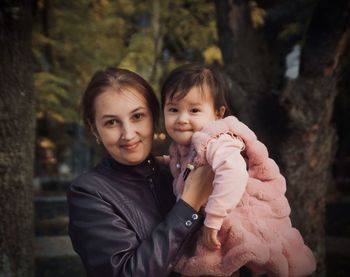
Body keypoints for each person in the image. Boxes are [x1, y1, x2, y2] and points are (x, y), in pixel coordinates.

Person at [160, 63, 316, 277]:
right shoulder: (185, 148)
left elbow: (232, 172)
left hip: (241, 227)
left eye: (194, 110)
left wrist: (213, 219)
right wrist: (165, 161)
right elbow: (189, 167)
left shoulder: (218, 141)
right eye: (173, 109)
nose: (182, 119)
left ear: (217, 114)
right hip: (220, 232)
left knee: (237, 264)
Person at [67, 67, 215, 277]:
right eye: (111, 122)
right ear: (94, 129)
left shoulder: (176, 169)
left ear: (154, 117)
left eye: (137, 116)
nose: (128, 134)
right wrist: (189, 203)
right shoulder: (88, 193)